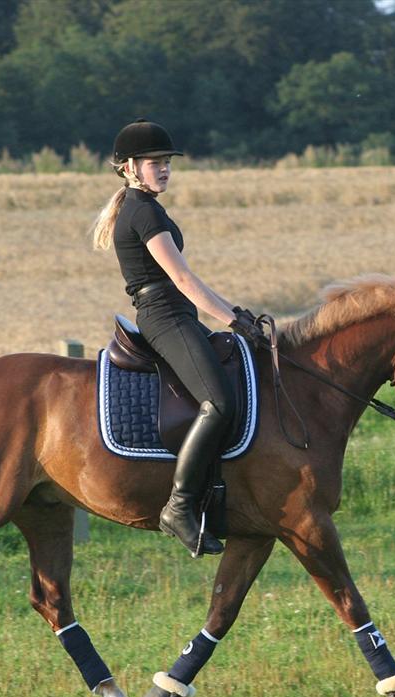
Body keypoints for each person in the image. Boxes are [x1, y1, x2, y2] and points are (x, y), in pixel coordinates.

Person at [91, 118, 262, 557]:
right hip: (165, 316)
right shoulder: (143, 212)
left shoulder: (145, 207)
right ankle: (179, 507)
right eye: (154, 162)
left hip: (176, 314)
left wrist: (236, 315)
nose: (163, 169)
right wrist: (231, 319)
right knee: (218, 402)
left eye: (166, 162)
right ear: (129, 168)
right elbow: (182, 278)